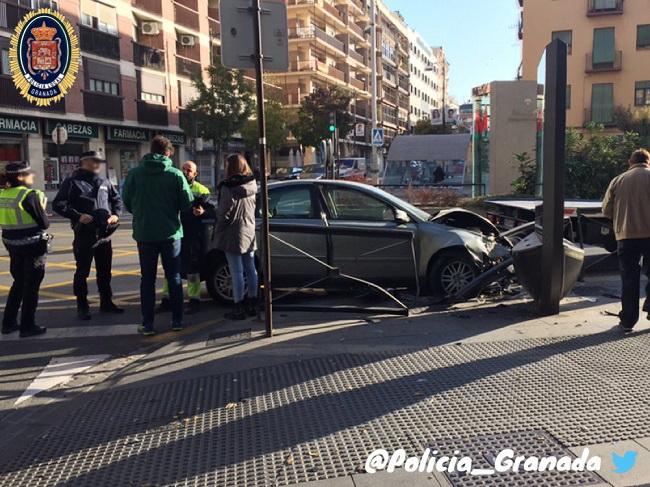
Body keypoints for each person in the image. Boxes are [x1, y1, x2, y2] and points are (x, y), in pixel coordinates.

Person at [122, 136, 194, 335]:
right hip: (170, 233)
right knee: (174, 278)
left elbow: (126, 200)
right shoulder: (175, 175)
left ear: (150, 150)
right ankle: (177, 321)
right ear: (168, 153)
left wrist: (140, 212)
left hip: (145, 233)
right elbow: (186, 203)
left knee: (147, 279)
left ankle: (147, 324)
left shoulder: (135, 174)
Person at [52, 151, 124, 320]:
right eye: (95, 161)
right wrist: (78, 216)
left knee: (105, 272)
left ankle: (106, 302)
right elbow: (58, 204)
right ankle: (82, 305)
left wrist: (116, 215)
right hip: (84, 234)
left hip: (105, 234)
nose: (98, 164)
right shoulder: (72, 182)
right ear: (85, 161)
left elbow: (117, 200)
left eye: (100, 161)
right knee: (82, 271)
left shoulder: (105, 181)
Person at [602, 148, 650, 332]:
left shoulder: (618, 180)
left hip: (626, 236)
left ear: (631, 162)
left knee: (629, 278)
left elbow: (606, 209)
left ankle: (628, 321)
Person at [158, 161, 214, 315]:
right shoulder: (171, 187)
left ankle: (194, 300)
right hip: (173, 233)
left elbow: (211, 212)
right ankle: (167, 300)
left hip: (192, 236)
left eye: (189, 170)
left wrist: (203, 213)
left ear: (195, 174)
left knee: (192, 269)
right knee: (169, 268)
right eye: (183, 169)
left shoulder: (202, 190)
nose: (185, 172)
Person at [0, 162, 49, 337]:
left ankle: (8, 323)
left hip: (11, 244)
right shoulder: (29, 195)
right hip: (33, 245)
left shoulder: (3, 194)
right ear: (21, 176)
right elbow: (44, 223)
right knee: (32, 285)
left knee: (19, 282)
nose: (32, 176)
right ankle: (28, 325)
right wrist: (41, 207)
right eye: (30, 173)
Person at [215, 154, 259, 320]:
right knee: (251, 268)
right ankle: (253, 303)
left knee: (236, 271)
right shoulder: (252, 184)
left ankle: (238, 306)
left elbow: (223, 212)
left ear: (230, 168)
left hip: (233, 231)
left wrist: (218, 229)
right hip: (249, 229)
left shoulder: (229, 187)